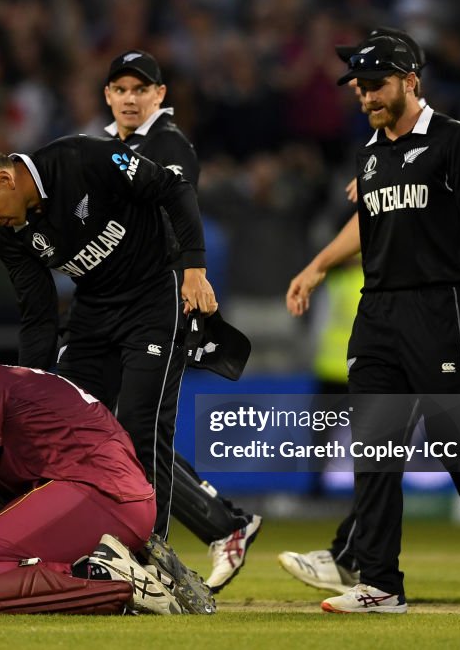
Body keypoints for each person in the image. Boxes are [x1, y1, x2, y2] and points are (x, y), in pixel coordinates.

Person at [279, 28, 460, 604]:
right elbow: (370, 226)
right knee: (373, 451)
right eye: (359, 89)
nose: (364, 97)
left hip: (438, 309)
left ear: (410, 81)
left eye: (375, 85)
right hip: (378, 312)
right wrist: (317, 267)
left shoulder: (452, 141)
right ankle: (379, 584)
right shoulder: (370, 153)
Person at [0, 123, 234, 591]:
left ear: (4, 179)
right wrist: (31, 390)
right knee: (63, 435)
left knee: (139, 426)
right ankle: (73, 553)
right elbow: (37, 319)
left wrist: (194, 269)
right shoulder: (14, 238)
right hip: (93, 315)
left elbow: (173, 187)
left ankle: (153, 559)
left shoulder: (83, 158)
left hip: (153, 300)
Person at [0, 333, 215, 615]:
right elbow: (0, 504)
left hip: (95, 495)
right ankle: (127, 567)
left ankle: (103, 577)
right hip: (120, 501)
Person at [101, 49, 261, 592]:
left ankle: (166, 546)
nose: (129, 97)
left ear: (159, 96)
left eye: (139, 89)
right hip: (123, 305)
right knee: (132, 429)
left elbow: (170, 219)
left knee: (138, 430)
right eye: (120, 88)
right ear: (108, 96)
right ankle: (224, 525)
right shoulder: (114, 146)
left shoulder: (168, 145)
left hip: (159, 301)